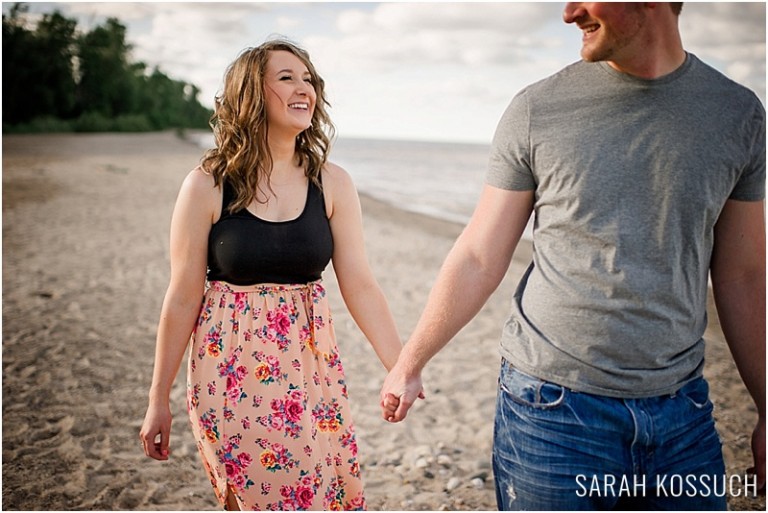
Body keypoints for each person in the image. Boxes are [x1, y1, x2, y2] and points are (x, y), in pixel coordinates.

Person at [381, 2, 765, 510]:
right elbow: (478, 253)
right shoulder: (539, 109)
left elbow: (742, 275)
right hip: (553, 413)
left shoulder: (736, 115)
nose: (568, 12)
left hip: (683, 414)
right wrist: (410, 361)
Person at [139, 39, 405, 510]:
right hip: (230, 374)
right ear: (251, 93)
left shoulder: (333, 183)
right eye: (286, 78)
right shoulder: (207, 185)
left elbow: (360, 284)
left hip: (311, 371)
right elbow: (182, 296)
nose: (304, 88)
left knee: (321, 491)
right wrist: (158, 399)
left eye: (308, 79)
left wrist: (401, 366)